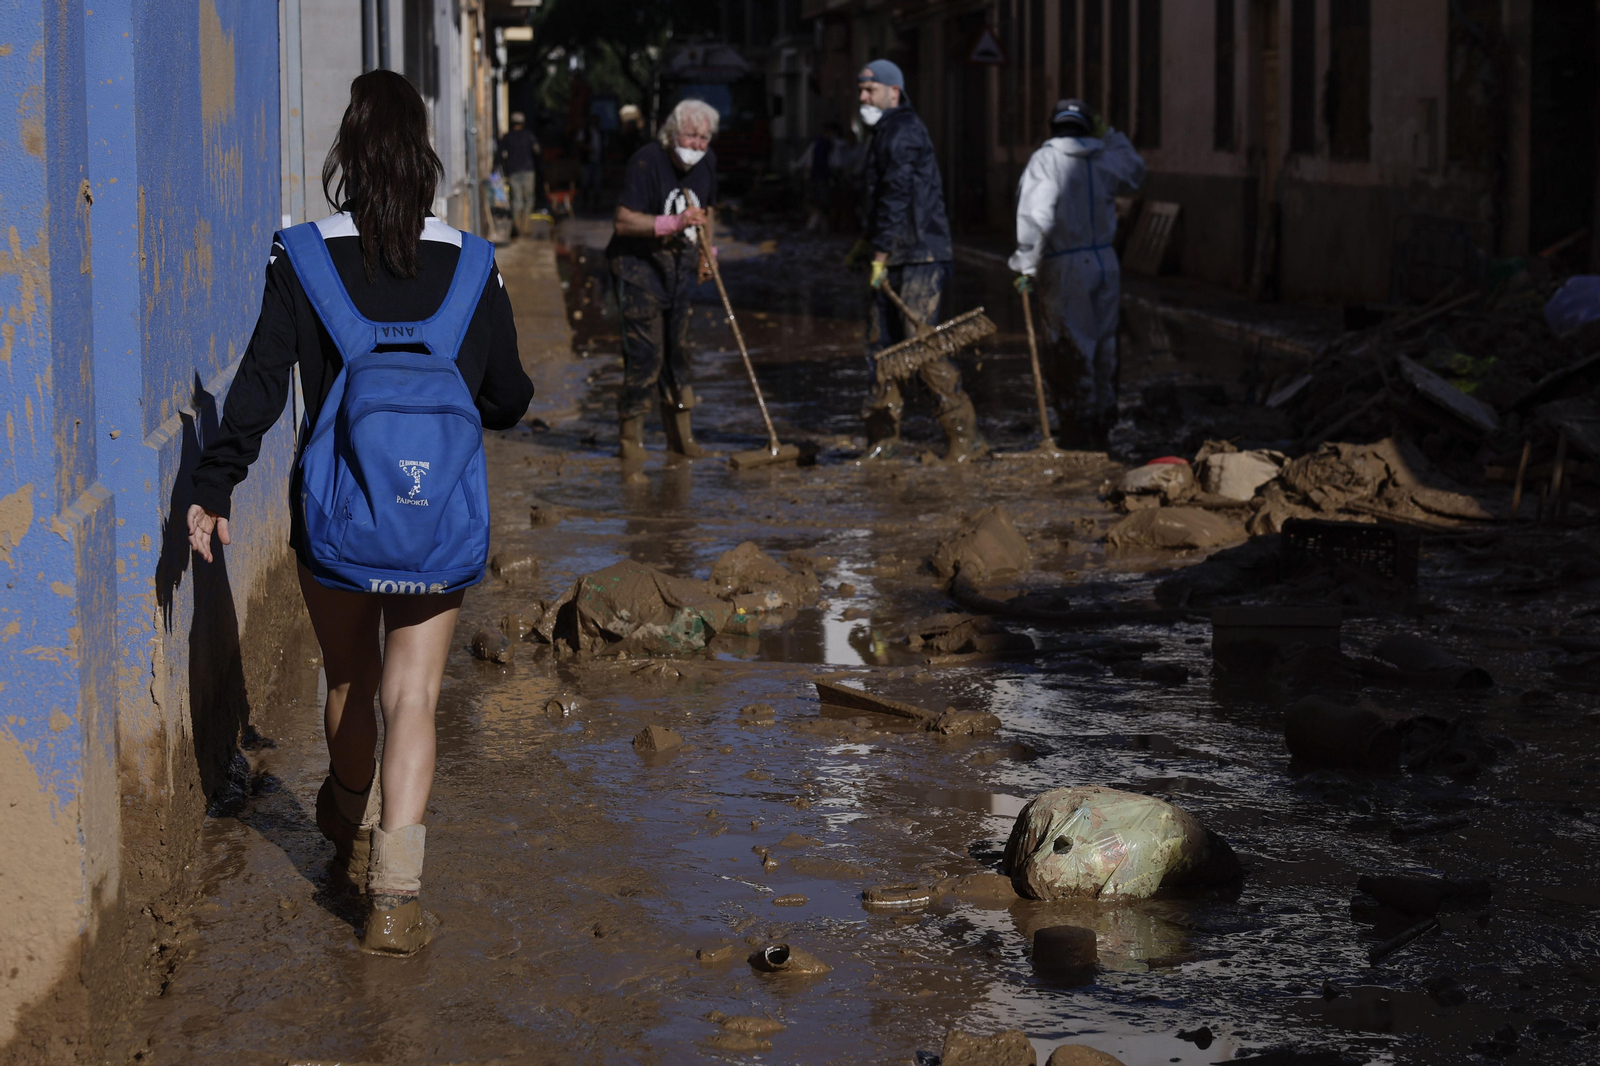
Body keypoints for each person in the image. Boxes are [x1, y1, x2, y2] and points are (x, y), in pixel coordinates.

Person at [185, 70, 533, 956]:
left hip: (334, 522)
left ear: (346, 152)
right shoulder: (473, 263)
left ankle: (344, 813)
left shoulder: (300, 256)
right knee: (412, 691)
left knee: (349, 682)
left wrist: (212, 484)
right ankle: (399, 895)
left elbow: (259, 388)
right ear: (425, 158)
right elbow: (507, 400)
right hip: (436, 521)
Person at [848, 59, 983, 462]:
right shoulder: (885, 132)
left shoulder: (904, 131)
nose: (862, 98)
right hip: (896, 251)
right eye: (860, 90)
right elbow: (880, 198)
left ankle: (965, 436)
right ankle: (882, 439)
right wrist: (868, 243)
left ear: (894, 91)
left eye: (869, 91)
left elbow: (897, 194)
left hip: (920, 254)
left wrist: (880, 252)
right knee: (881, 345)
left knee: (919, 343)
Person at [1009, 99, 1145, 448]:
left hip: (1065, 264)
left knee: (1071, 344)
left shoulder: (1046, 159)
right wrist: (1112, 135)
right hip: (1104, 261)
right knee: (1104, 344)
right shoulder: (1104, 156)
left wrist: (1026, 263)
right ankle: (1102, 420)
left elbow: (1035, 217)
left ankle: (1078, 426)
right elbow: (1135, 171)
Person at [605, 97, 719, 460]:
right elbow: (622, 220)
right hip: (638, 270)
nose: (698, 145)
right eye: (691, 136)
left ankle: (681, 440)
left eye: (705, 138)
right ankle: (631, 446)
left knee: (679, 353)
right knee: (645, 356)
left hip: (677, 270)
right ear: (672, 134)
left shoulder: (707, 163)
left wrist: (707, 253)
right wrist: (673, 223)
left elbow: (708, 211)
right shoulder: (646, 161)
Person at [793, 121, 844, 232]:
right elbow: (835, 162)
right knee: (820, 203)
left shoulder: (826, 144)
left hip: (819, 177)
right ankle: (816, 226)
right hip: (821, 177)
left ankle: (819, 226)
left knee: (821, 203)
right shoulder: (825, 145)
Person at [498, 111, 541, 235]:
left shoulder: (507, 137)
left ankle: (517, 228)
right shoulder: (529, 136)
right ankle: (526, 225)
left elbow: (500, 156)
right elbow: (537, 151)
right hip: (528, 170)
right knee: (529, 198)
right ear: (523, 123)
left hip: (513, 171)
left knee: (516, 200)